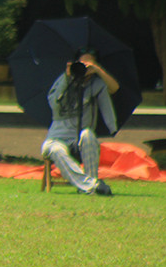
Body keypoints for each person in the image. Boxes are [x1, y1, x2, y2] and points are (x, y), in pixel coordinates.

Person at [41, 49, 119, 196]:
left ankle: (89, 185)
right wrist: (67, 77)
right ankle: (92, 186)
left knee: (88, 134)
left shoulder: (96, 85)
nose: (85, 66)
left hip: (80, 139)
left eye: (89, 64)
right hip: (56, 139)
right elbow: (55, 106)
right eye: (82, 63)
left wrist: (97, 70)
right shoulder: (63, 79)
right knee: (56, 150)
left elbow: (114, 88)